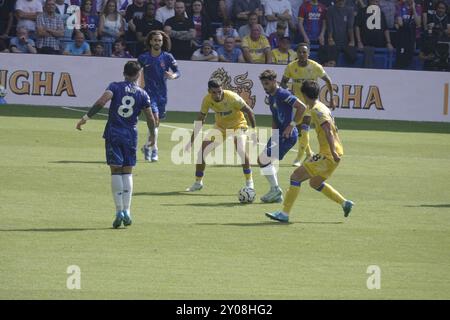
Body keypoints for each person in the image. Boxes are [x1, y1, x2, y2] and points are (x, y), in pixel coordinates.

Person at [76, 61, 156, 229]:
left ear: (124, 73)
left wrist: (86, 118)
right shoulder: (143, 94)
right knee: (128, 171)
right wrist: (153, 137)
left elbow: (101, 101)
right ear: (138, 74)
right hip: (131, 134)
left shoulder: (114, 86)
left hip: (113, 131)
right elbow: (150, 117)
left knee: (115, 170)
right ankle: (127, 210)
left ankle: (118, 210)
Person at [265, 80, 354, 223]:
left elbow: (328, 131)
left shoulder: (318, 111)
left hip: (329, 154)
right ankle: (344, 203)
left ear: (304, 94)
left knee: (295, 177)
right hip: (334, 152)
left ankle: (284, 214)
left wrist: (333, 152)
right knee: (314, 183)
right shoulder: (319, 107)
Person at [184, 79, 257, 192]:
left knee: (241, 150)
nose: (217, 95)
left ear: (222, 89)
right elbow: (200, 120)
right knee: (202, 152)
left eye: (219, 91)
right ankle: (198, 182)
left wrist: (253, 131)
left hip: (238, 125)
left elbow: (249, 111)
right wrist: (192, 141)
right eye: (214, 92)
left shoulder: (232, 97)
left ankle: (249, 183)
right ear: (209, 91)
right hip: (221, 127)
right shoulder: (207, 100)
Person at [280, 43, 335, 167]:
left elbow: (328, 81)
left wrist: (332, 99)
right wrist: (287, 95)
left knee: (305, 128)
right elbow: (283, 83)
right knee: (300, 131)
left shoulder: (315, 66)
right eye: (299, 52)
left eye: (304, 52)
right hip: (298, 104)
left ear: (308, 54)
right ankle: (309, 153)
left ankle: (299, 158)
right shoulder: (291, 67)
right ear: (296, 53)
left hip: (311, 103)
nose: (302, 54)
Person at [257, 70, 307, 203]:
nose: (265, 87)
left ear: (274, 81)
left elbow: (302, 107)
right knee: (264, 160)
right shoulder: (271, 96)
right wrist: (273, 134)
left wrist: (291, 125)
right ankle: (275, 192)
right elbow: (275, 116)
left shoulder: (283, 93)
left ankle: (276, 190)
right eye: (263, 84)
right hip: (278, 134)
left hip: (287, 135)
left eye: (267, 83)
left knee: (263, 159)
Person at [138, 30, 180, 162]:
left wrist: (173, 76)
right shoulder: (143, 57)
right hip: (148, 94)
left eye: (159, 40)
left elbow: (178, 72)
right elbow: (136, 72)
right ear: (150, 41)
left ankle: (146, 146)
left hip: (162, 94)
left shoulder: (168, 57)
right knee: (154, 120)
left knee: (156, 124)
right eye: (155, 40)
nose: (157, 42)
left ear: (162, 42)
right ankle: (155, 149)